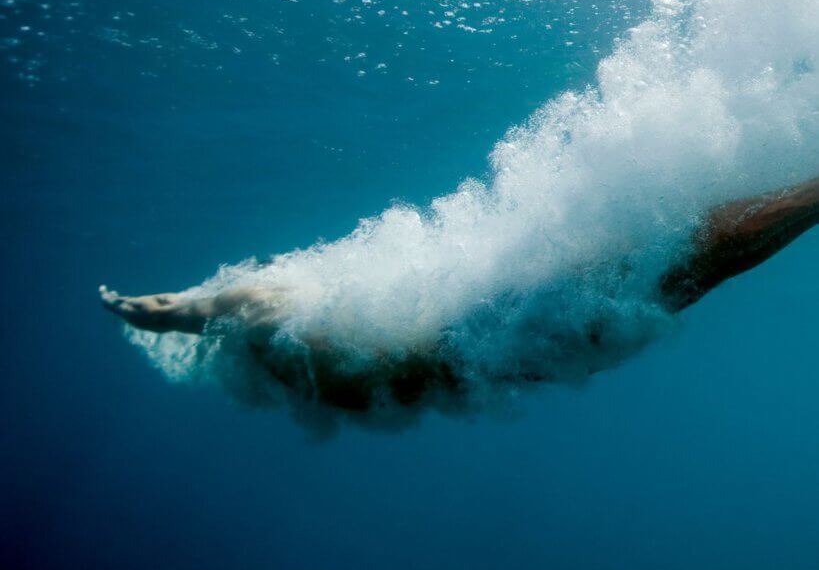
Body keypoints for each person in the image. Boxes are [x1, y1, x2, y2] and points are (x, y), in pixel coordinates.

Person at [101, 174, 819, 411]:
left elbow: (178, 313)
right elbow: (180, 312)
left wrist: (136, 310)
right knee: (693, 261)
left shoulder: (298, 347)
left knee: (692, 265)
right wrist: (140, 310)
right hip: (507, 339)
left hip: (510, 349)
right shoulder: (289, 320)